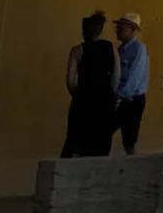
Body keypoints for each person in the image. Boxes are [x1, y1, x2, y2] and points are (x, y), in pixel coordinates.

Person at [61, 11, 119, 158]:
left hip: (83, 99)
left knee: (77, 142)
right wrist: (109, 94)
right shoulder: (110, 47)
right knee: (101, 144)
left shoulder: (77, 51)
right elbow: (117, 76)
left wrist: (78, 95)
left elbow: (70, 80)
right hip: (104, 100)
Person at [113, 13, 148, 155]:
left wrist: (118, 96)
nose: (118, 30)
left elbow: (134, 78)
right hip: (120, 98)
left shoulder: (139, 50)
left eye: (122, 27)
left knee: (129, 140)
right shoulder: (120, 50)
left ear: (133, 30)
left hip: (132, 99)